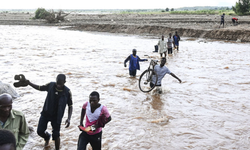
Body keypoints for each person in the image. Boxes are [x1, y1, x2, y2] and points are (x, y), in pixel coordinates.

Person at [14, 74, 73, 150]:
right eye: (57, 83)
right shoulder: (51, 85)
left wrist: (69, 118)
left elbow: (70, 106)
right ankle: (47, 137)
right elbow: (40, 88)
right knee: (39, 131)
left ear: (64, 82)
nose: (58, 85)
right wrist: (29, 83)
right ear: (56, 80)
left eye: (60, 84)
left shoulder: (67, 92)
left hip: (57, 116)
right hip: (46, 113)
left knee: (56, 135)